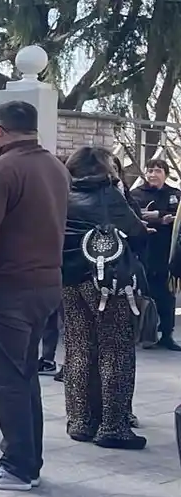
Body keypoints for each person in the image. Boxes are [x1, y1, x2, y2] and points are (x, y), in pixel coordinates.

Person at [0, 100, 70, 491]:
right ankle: (28, 461)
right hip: (45, 284)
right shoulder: (56, 167)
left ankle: (17, 466)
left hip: (7, 288)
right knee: (24, 375)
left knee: (5, 376)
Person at [60, 147, 148, 449]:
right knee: (116, 349)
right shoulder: (108, 195)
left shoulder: (61, 194)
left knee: (78, 348)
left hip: (69, 281)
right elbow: (137, 232)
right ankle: (114, 425)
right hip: (107, 283)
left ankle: (80, 420)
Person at [129, 157, 180, 351]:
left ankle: (167, 334)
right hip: (144, 251)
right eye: (150, 170)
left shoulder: (174, 194)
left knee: (167, 295)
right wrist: (160, 217)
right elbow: (133, 214)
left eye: (158, 170)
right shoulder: (136, 194)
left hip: (167, 253)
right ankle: (146, 334)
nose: (153, 174)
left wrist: (157, 216)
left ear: (165, 174)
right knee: (144, 293)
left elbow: (176, 216)